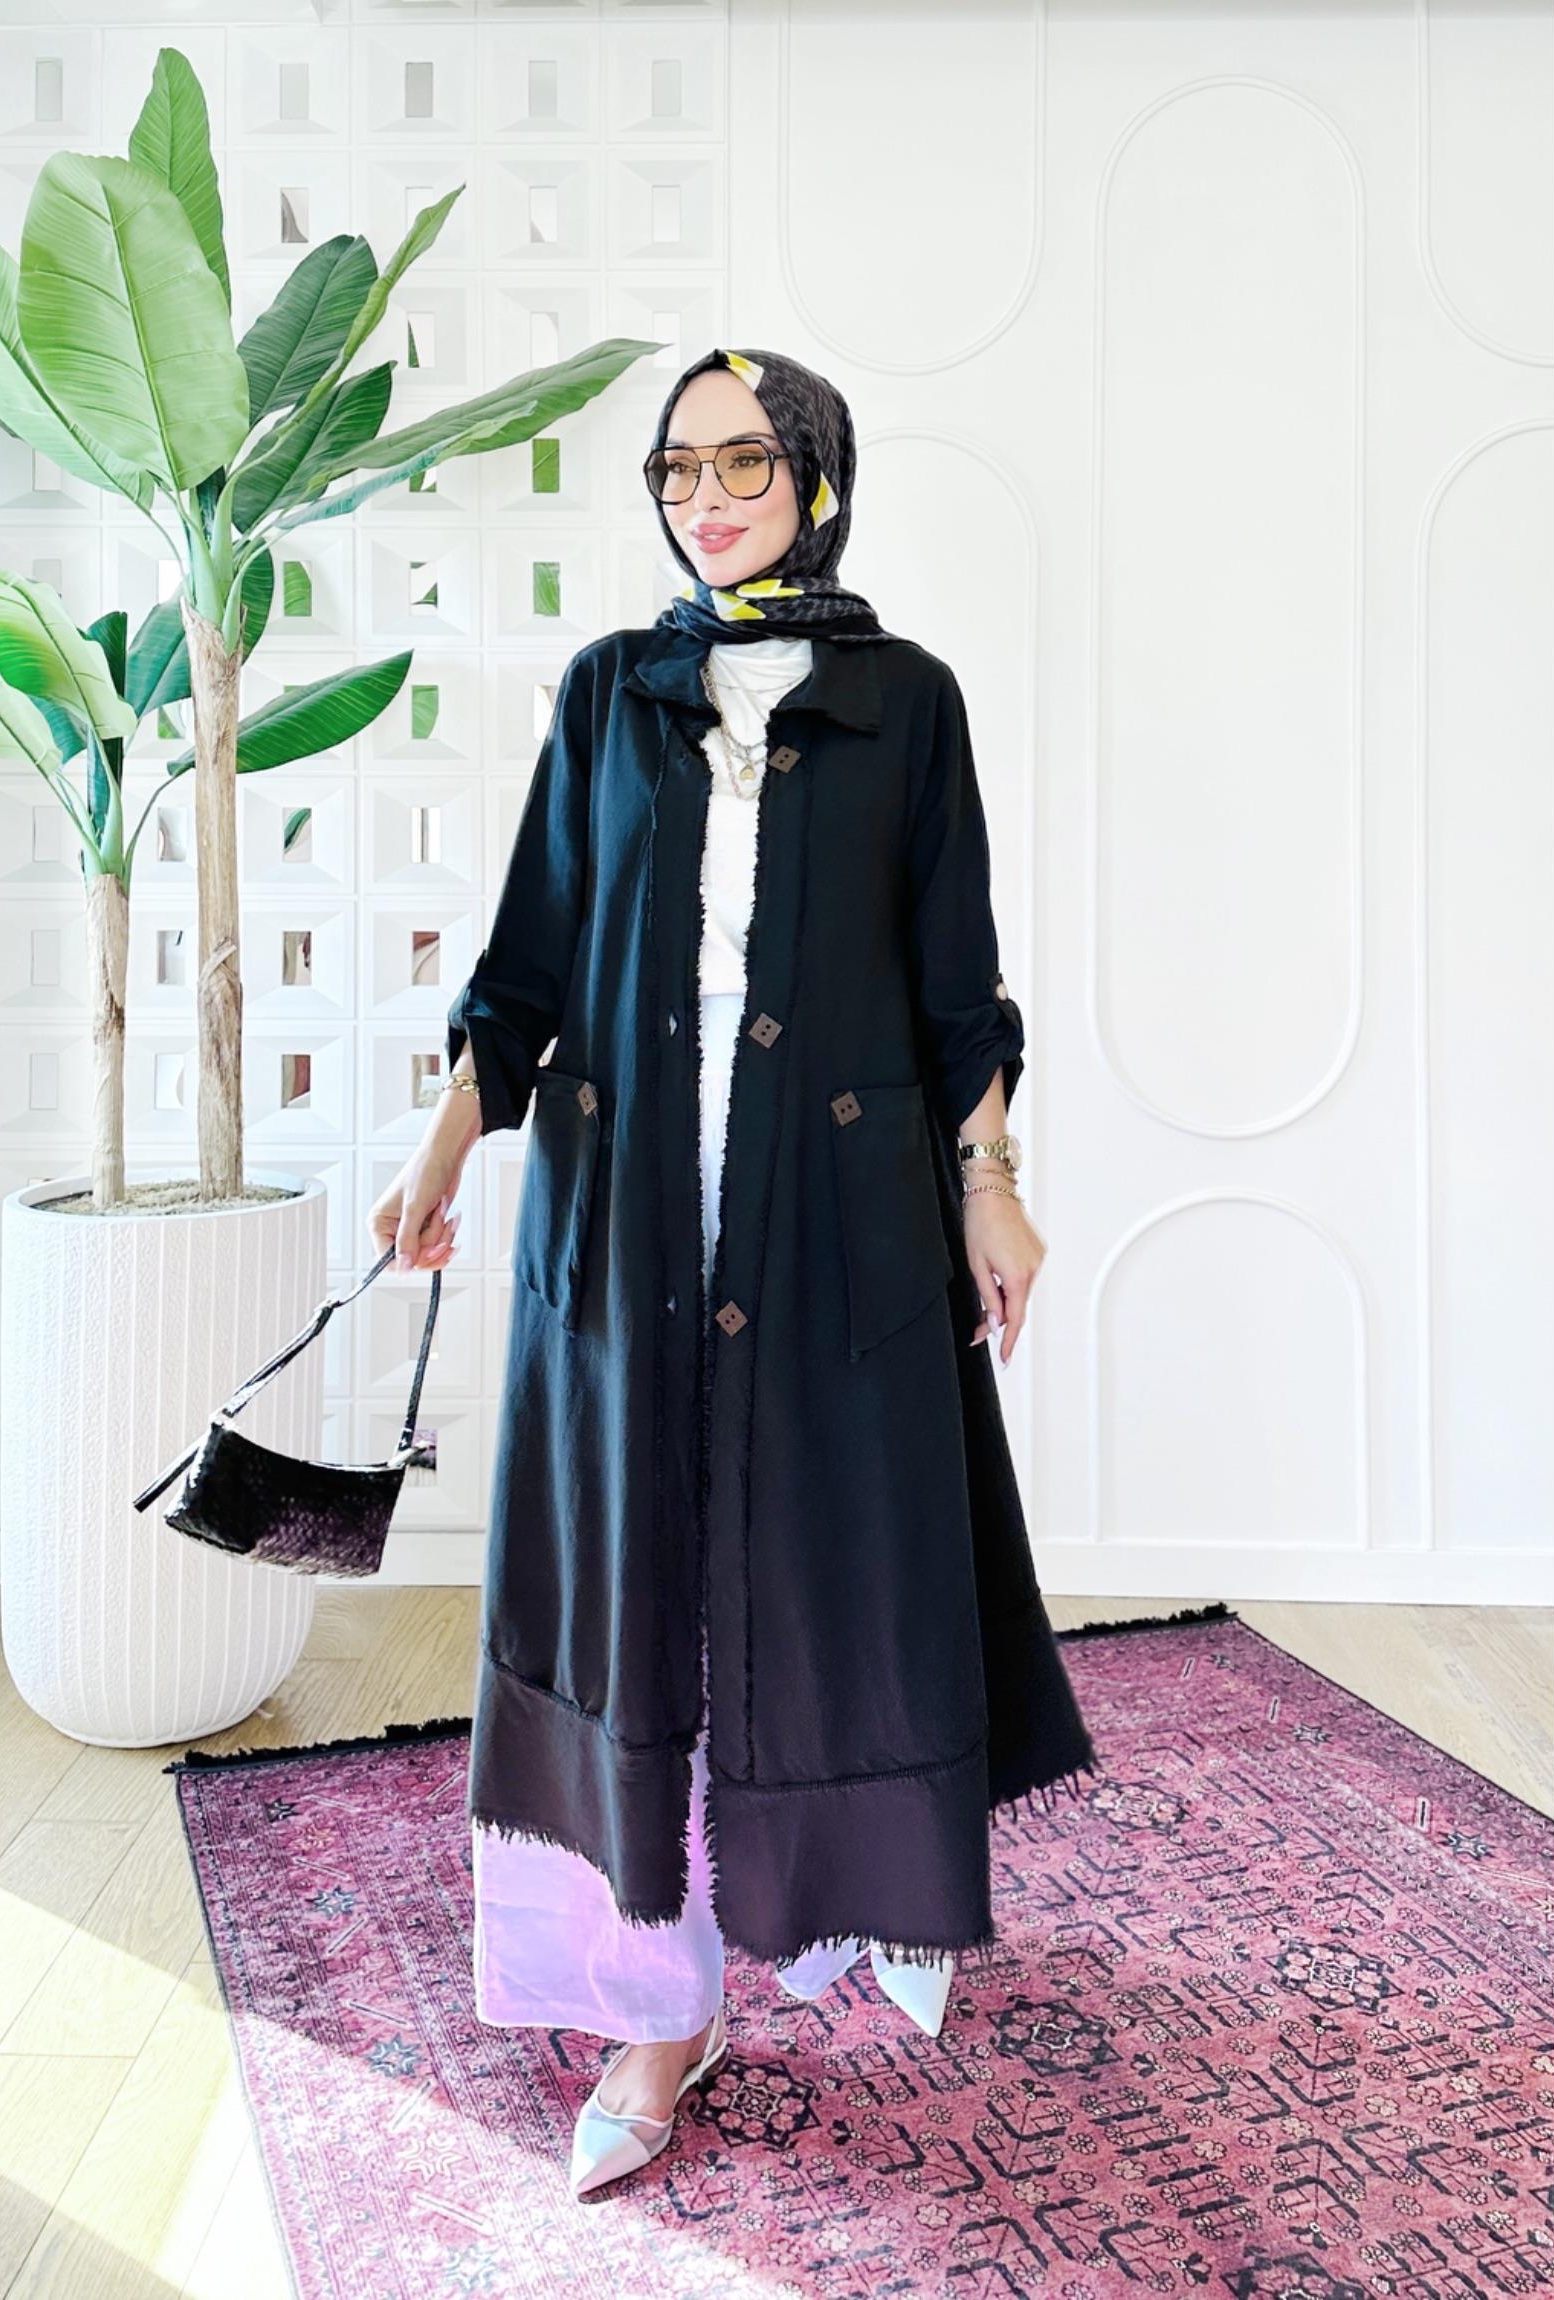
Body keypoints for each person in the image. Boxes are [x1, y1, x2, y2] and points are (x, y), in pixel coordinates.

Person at [369, 346, 1096, 2198]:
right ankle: (650, 2010)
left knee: (833, 1558)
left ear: (819, 480)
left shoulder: (906, 702)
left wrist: (991, 1184)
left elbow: (957, 978)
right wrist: (447, 1140)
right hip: (626, 1196)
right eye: (679, 468)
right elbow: (530, 955)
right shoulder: (611, 691)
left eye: (746, 462)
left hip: (834, 1204)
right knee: (634, 1580)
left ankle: (852, 1889)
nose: (707, 497)